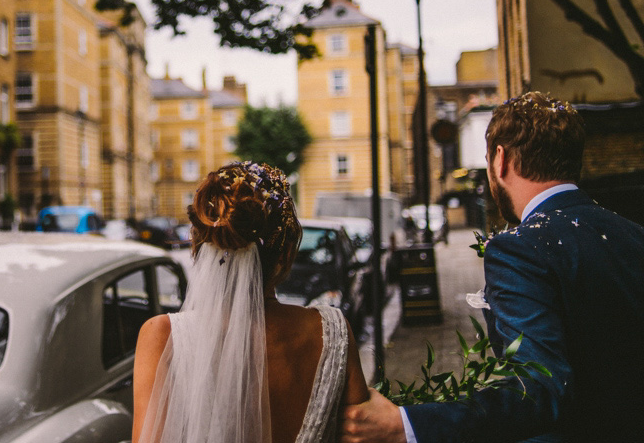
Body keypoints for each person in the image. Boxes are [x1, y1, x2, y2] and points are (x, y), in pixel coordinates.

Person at [340, 92, 644, 443]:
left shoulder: (519, 249)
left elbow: (540, 388)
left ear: (500, 160)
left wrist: (405, 424)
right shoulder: (634, 234)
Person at [132, 161, 369, 443]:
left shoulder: (161, 336)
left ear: (199, 247)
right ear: (285, 254)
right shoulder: (332, 331)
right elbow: (364, 432)